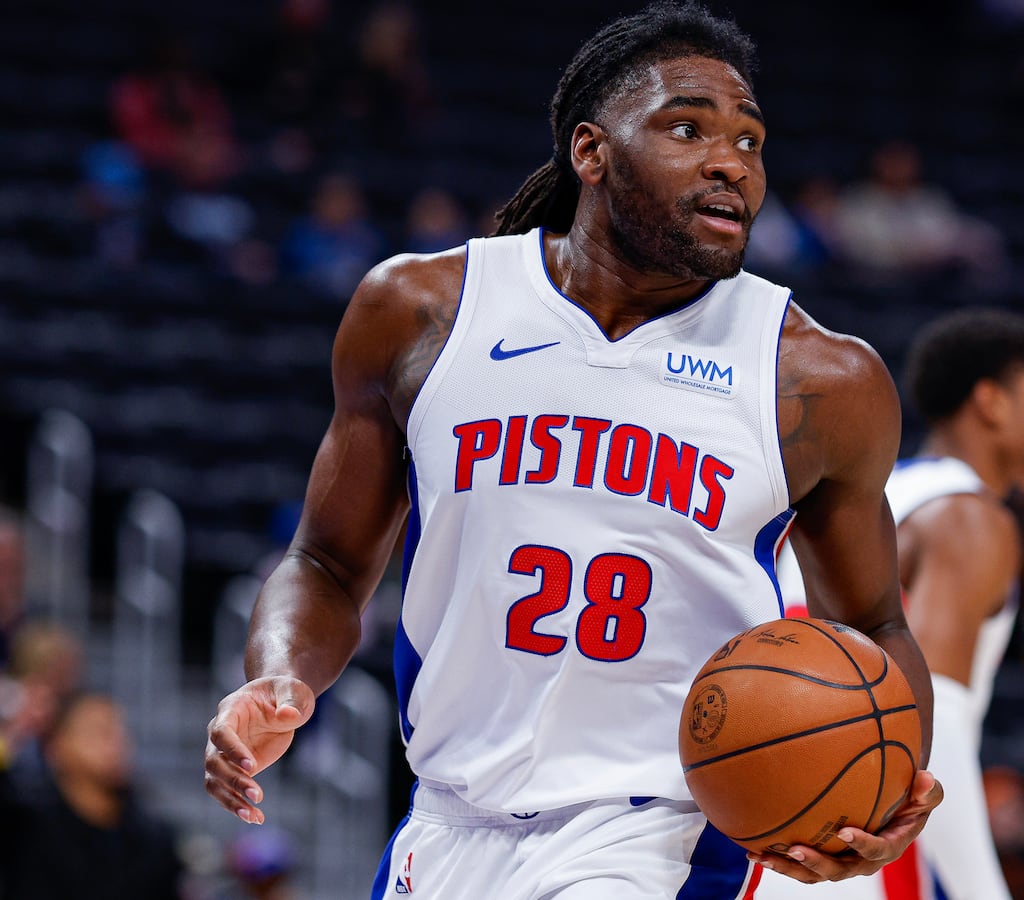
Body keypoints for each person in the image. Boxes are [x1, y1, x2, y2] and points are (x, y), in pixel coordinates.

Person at [202, 5, 941, 899]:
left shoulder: (818, 377)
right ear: (591, 152)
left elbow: (875, 626)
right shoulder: (420, 311)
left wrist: (884, 792)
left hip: (659, 835)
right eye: (688, 128)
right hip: (445, 826)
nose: (731, 162)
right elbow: (325, 561)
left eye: (750, 141)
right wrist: (279, 679)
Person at [765, 309, 1024, 900]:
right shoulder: (968, 517)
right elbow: (933, 721)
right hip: (856, 846)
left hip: (770, 819)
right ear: (992, 402)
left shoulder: (868, 496)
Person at [0, 693, 184, 900]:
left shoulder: (154, 837)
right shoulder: (24, 822)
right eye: (99, 731)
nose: (116, 742)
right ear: (56, 745)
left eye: (119, 731)